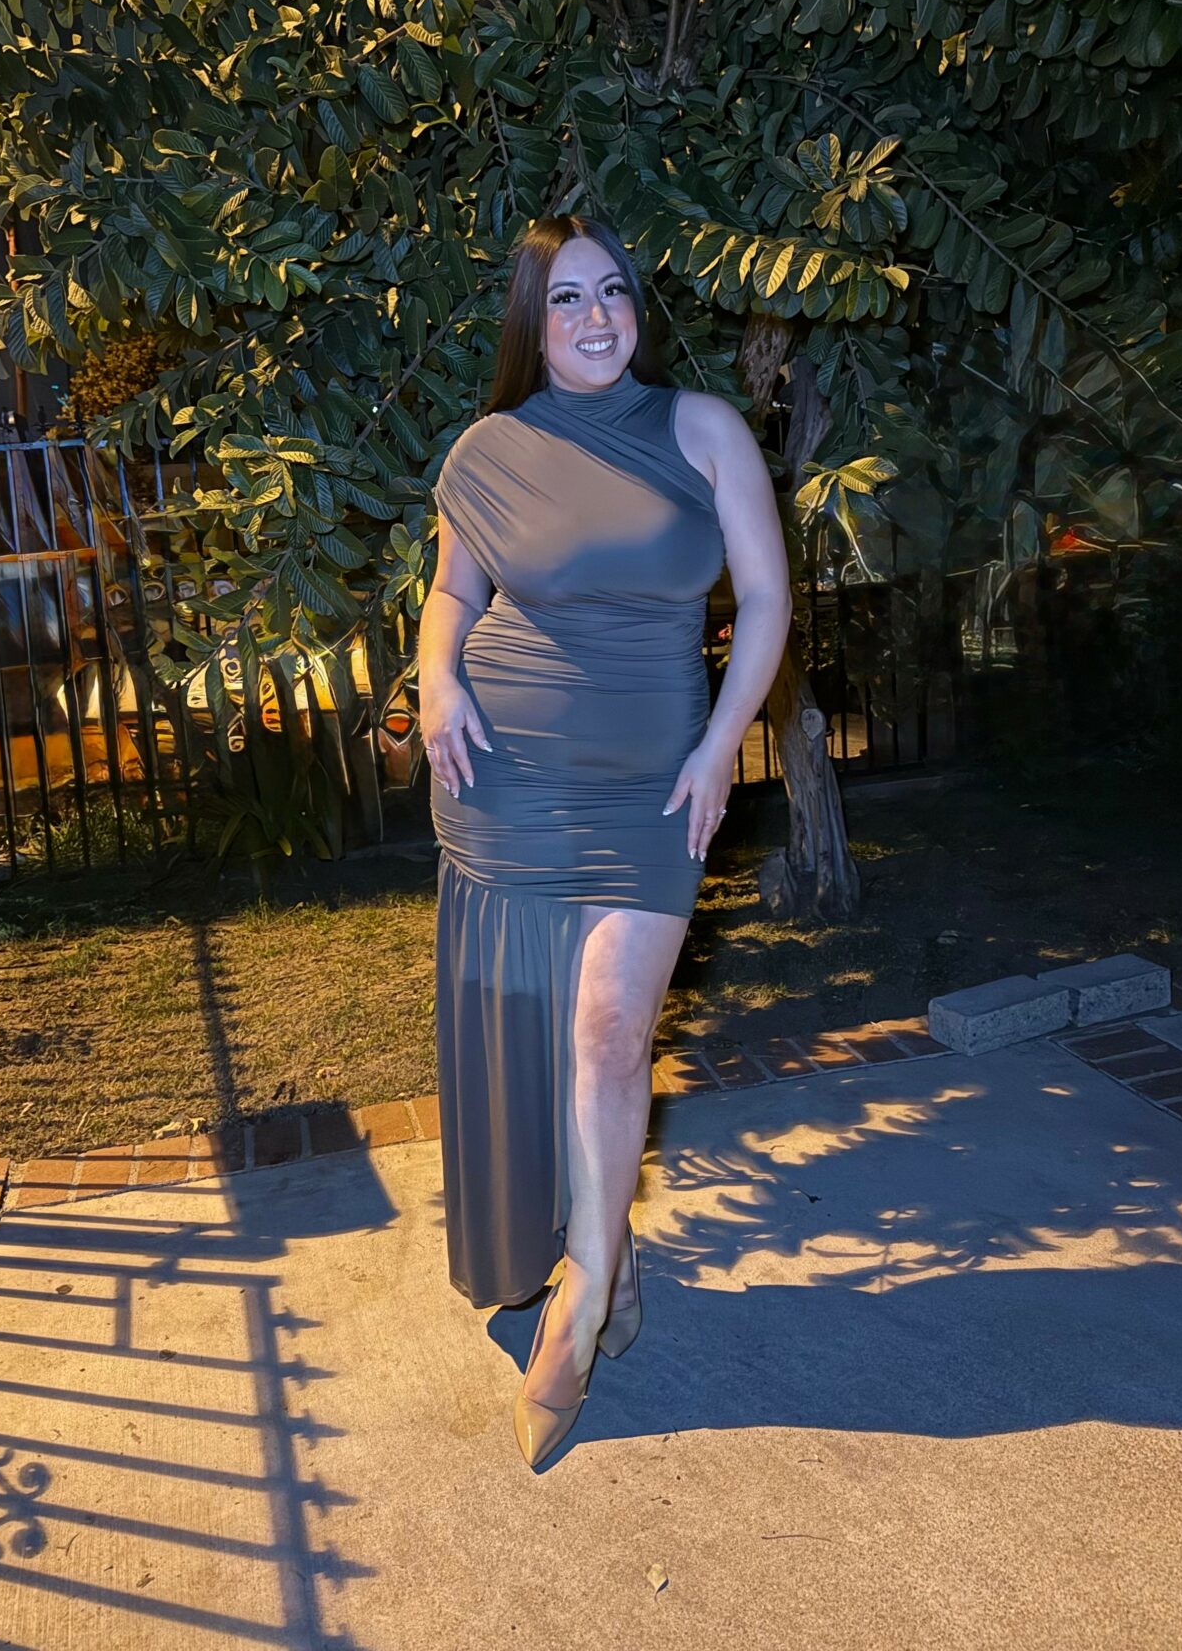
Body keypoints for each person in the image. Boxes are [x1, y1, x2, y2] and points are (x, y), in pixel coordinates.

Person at [418, 214, 791, 1468]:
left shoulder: (704, 430)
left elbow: (771, 599)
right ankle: (605, 1263)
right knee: (548, 1028)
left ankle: (578, 1303)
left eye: (613, 292)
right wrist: (434, 679)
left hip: (657, 779)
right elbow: (454, 593)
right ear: (534, 317)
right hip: (511, 770)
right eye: (566, 297)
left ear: (638, 306)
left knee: (608, 1027)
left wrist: (722, 741)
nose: (594, 316)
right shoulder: (492, 447)